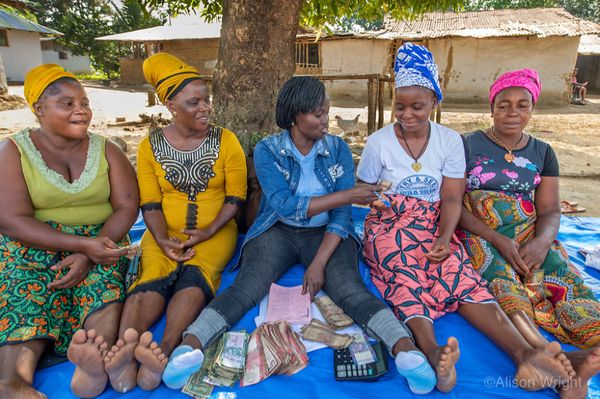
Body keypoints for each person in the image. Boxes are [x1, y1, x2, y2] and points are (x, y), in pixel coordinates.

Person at [162, 76, 444, 395]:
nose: (326, 120)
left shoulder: (337, 148)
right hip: (277, 230)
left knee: (350, 291)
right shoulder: (269, 150)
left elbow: (340, 216)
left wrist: (319, 263)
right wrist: (347, 195)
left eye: (326, 112)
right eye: (317, 114)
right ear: (295, 115)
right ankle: (189, 347)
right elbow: (285, 206)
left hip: (326, 233)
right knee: (246, 288)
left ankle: (406, 351)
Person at [358, 43, 575, 393]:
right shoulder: (378, 143)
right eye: (400, 106)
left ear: (434, 103)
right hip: (391, 222)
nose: (407, 114)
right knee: (403, 270)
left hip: (437, 218)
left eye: (417, 106)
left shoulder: (448, 141)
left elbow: (452, 197)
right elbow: (365, 191)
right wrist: (386, 205)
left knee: (459, 272)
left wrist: (444, 238)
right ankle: (432, 353)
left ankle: (523, 354)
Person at [101, 52, 248, 393]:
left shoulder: (226, 141)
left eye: (206, 100)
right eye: (194, 102)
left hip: (215, 233)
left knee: (195, 280)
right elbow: (149, 202)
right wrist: (162, 238)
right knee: (150, 278)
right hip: (162, 233)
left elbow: (235, 198)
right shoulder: (150, 146)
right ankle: (124, 352)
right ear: (170, 105)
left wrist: (208, 231)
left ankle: (164, 351)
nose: (205, 108)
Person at [458, 68, 600, 399]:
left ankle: (590, 352)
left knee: (560, 273)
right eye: (504, 104)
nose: (513, 112)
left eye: (523, 105)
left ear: (532, 108)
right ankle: (547, 356)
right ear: (491, 107)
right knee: (497, 277)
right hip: (482, 232)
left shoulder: (542, 152)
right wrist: (495, 238)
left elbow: (550, 210)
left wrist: (540, 243)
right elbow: (453, 204)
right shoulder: (467, 144)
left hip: (528, 231)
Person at [0, 64, 139, 399]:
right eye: (67, 103)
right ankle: (12, 381)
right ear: (39, 109)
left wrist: (92, 252)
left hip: (103, 238)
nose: (82, 110)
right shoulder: (14, 152)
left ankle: (93, 362)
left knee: (105, 286)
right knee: (27, 290)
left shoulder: (107, 149)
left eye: (85, 102)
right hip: (34, 242)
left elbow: (127, 207)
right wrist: (80, 245)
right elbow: (10, 219)